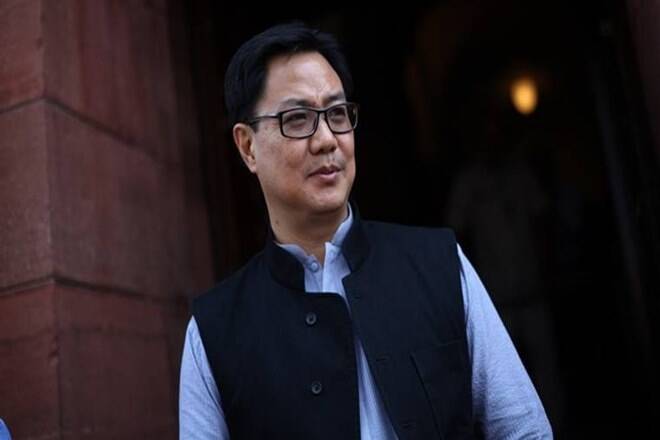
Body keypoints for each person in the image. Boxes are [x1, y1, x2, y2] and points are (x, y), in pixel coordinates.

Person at [179, 22, 552, 439]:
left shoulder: (441, 265)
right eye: (297, 119)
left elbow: (524, 430)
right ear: (248, 147)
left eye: (337, 114)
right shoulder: (212, 331)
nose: (327, 139)